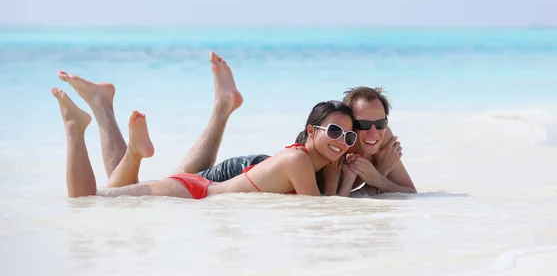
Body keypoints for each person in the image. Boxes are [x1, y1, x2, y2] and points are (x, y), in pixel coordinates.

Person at [53, 55, 357, 199]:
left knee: (112, 198)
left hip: (196, 193)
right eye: (333, 131)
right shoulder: (299, 159)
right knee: (88, 200)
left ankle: (114, 125)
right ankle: (75, 128)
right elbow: (318, 211)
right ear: (311, 130)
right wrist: (344, 181)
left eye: (348, 135)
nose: (341, 140)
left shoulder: (306, 160)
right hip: (193, 193)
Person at [333, 86, 417, 196]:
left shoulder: (383, 139)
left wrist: (378, 179)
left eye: (380, 124)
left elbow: (411, 194)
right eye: (364, 124)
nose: (374, 133)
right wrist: (380, 172)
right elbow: (328, 202)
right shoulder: (335, 143)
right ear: (349, 124)